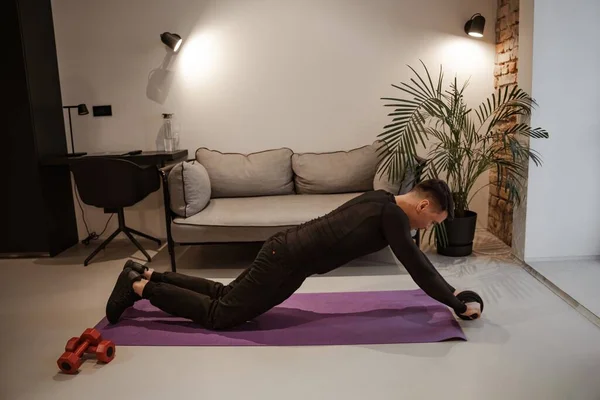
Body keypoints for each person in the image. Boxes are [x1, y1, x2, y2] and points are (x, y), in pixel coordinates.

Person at [106, 178, 482, 329]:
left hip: (286, 256)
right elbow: (418, 267)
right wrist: (455, 303)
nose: (429, 227)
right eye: (433, 220)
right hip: (284, 260)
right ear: (422, 206)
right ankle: (139, 288)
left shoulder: (382, 198)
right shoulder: (393, 217)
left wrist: (451, 297)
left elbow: (419, 266)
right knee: (221, 316)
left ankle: (150, 274)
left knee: (225, 297)